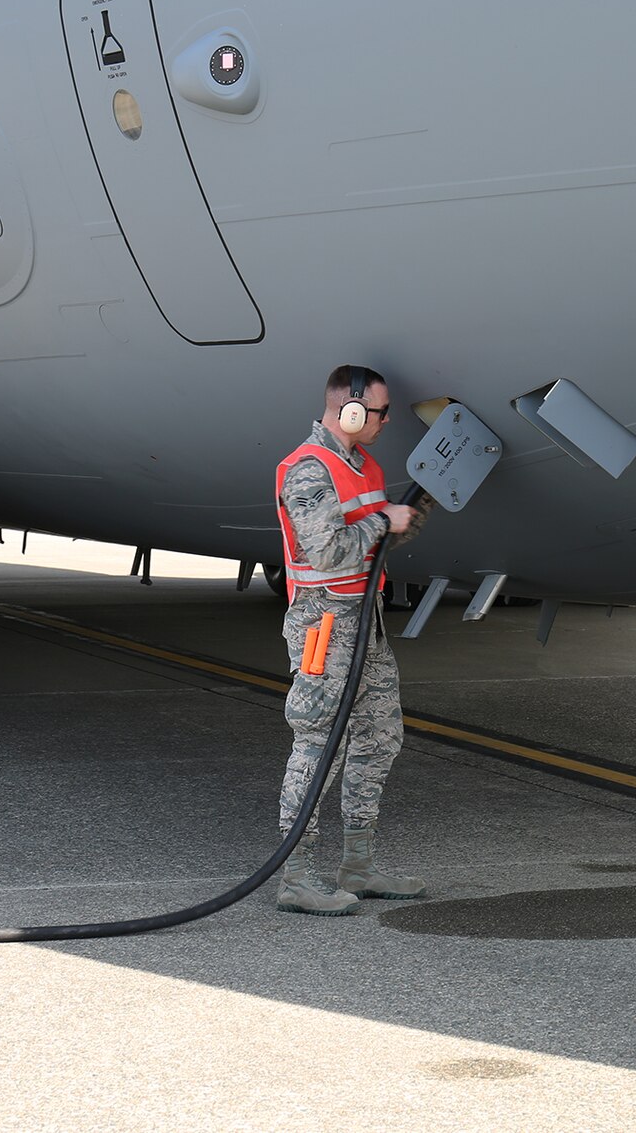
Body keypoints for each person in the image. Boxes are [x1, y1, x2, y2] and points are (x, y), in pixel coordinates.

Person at [272, 364, 428, 915]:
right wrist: (385, 521)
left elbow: (371, 547)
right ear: (353, 410)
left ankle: (357, 864)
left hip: (368, 624)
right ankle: (295, 877)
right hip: (324, 627)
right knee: (318, 746)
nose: (386, 421)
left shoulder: (364, 468)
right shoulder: (308, 470)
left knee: (379, 738)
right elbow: (329, 552)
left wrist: (404, 520)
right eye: (381, 412)